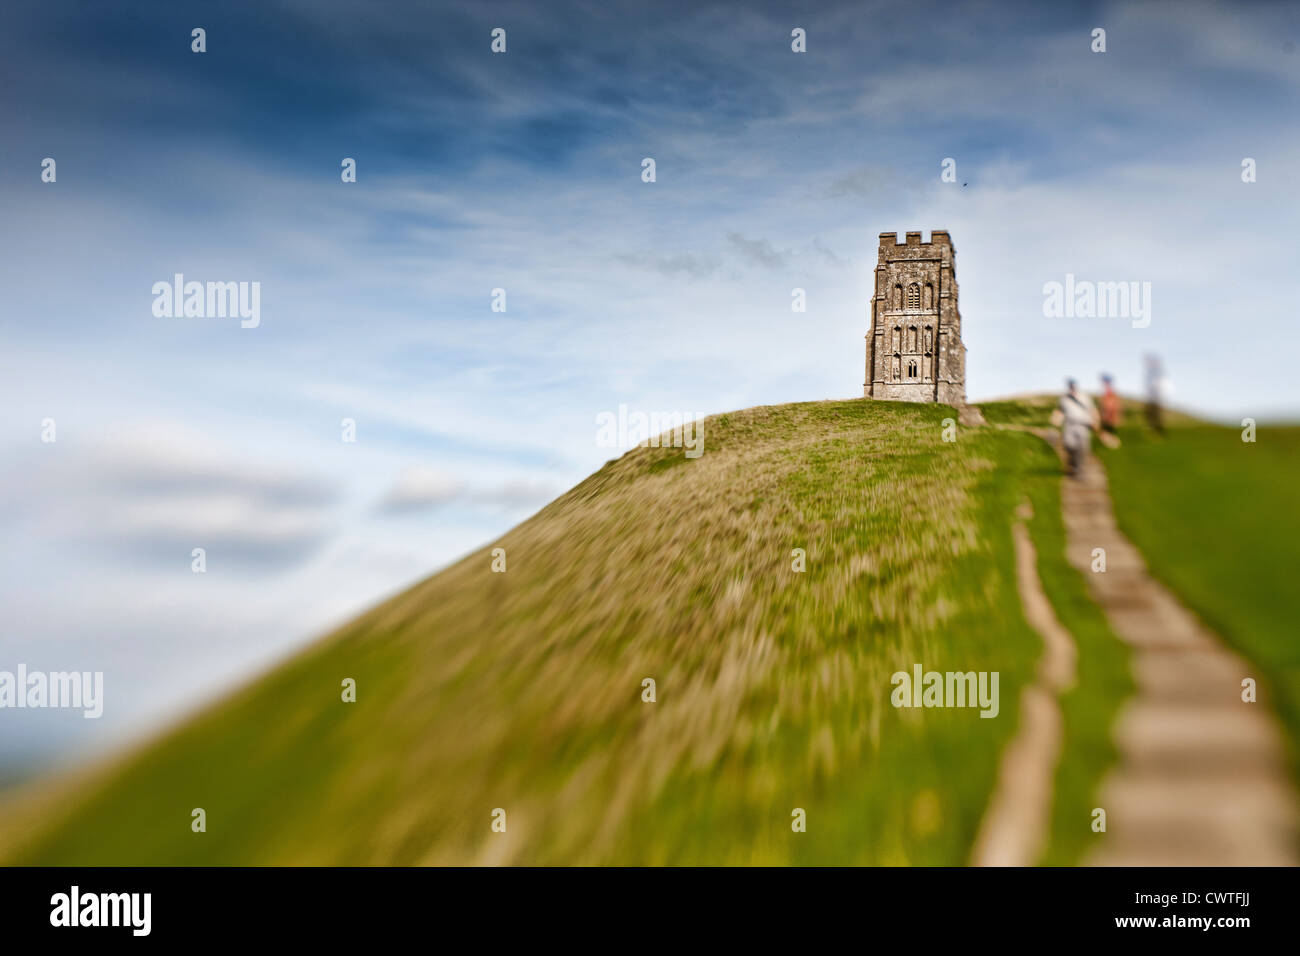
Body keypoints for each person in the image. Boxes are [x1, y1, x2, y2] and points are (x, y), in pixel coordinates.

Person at [1059, 378, 1098, 478]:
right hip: (1070, 425)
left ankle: (1078, 470)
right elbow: (1060, 411)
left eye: (1073, 385)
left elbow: (1092, 409)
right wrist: (1056, 419)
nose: (1071, 387)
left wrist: (1095, 421)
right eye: (1070, 386)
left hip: (1083, 425)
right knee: (1069, 445)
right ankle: (1072, 462)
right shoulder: (1064, 399)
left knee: (1082, 448)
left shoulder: (1084, 398)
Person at [1144, 354, 1166, 435]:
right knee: (1150, 413)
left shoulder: (1157, 372)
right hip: (1151, 395)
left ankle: (1157, 430)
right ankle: (1152, 429)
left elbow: (1159, 384)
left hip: (1155, 396)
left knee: (1156, 414)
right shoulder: (1151, 372)